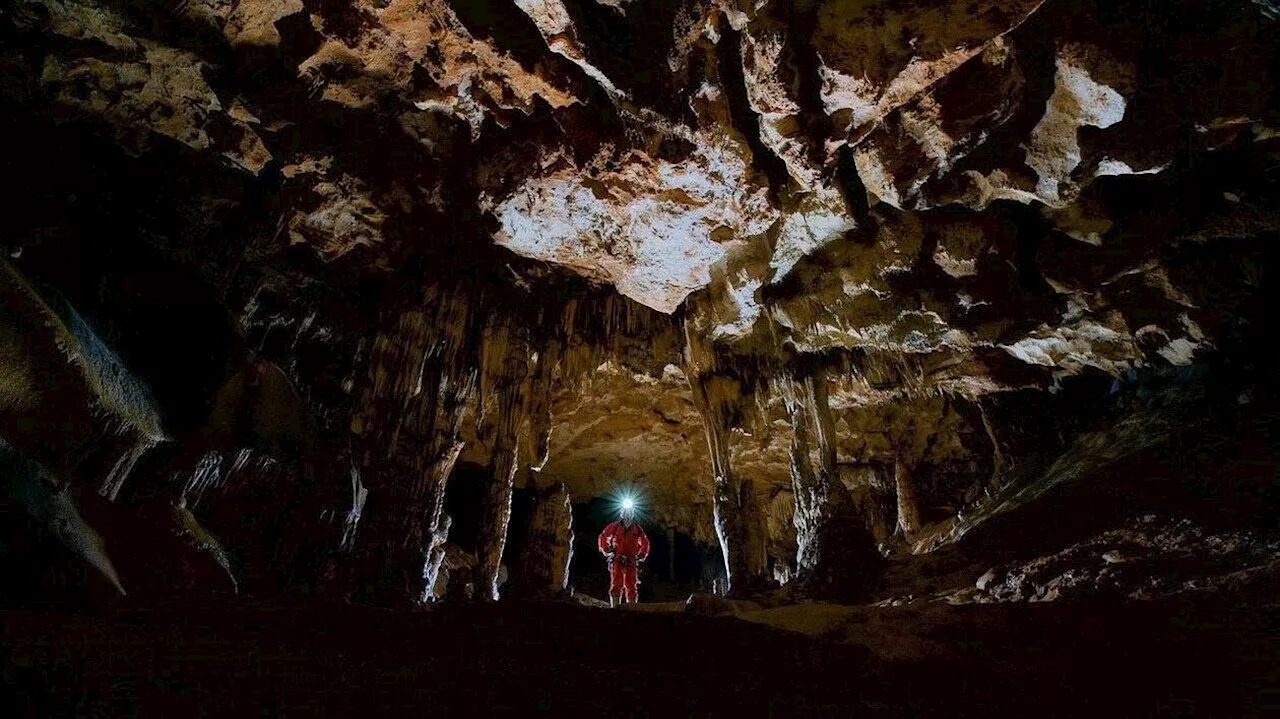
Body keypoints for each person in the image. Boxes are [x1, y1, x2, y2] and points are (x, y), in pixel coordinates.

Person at [597, 499, 649, 607]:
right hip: (617, 559)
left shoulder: (637, 529)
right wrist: (606, 549)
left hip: (631, 560)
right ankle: (615, 607)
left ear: (633, 513)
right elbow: (603, 536)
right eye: (625, 512)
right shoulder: (614, 527)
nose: (628, 514)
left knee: (631, 585)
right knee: (616, 584)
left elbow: (645, 542)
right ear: (622, 513)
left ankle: (632, 608)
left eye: (630, 512)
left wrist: (642, 554)